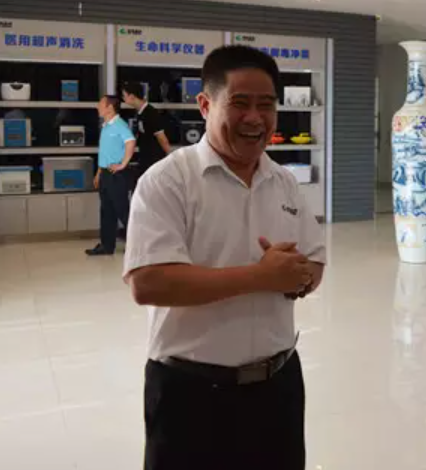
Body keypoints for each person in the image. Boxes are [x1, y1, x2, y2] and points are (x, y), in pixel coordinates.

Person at [122, 45, 326, 470]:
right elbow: (148, 282)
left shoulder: (284, 181)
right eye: (240, 103)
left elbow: (313, 261)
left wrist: (301, 277)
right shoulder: (167, 181)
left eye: (266, 105)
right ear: (205, 105)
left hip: (277, 386)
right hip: (190, 394)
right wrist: (261, 276)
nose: (255, 118)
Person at [86, 95, 135, 256]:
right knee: (106, 211)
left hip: (117, 174)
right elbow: (105, 153)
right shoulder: (106, 126)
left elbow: (131, 142)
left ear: (110, 108)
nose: (97, 107)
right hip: (106, 173)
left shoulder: (120, 125)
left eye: (100, 104)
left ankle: (139, 245)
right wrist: (99, 173)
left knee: (123, 211)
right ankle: (106, 246)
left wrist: (123, 164)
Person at [121, 82, 173, 179]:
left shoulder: (151, 113)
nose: (123, 99)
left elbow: (162, 138)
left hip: (154, 160)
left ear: (132, 96)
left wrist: (171, 158)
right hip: (145, 158)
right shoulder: (140, 113)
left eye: (124, 96)